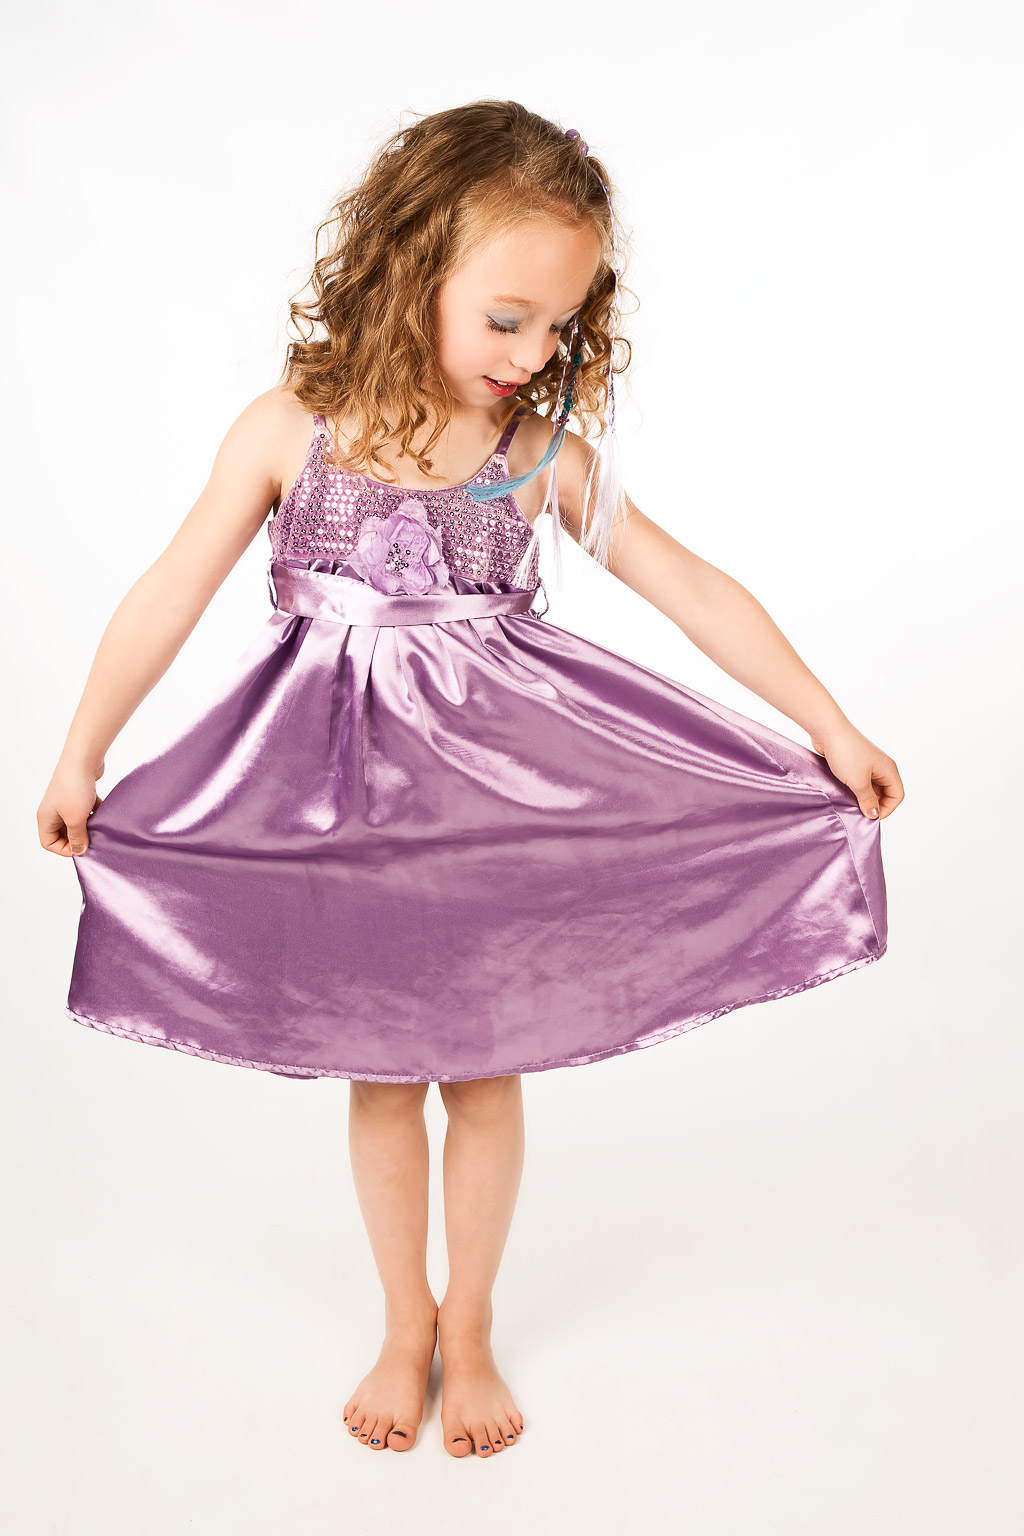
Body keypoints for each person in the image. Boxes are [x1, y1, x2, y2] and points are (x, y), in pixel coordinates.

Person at [38, 99, 904, 1461]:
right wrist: (85, 748)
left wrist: (828, 725)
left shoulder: (533, 459)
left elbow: (686, 585)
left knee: (486, 1078)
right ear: (408, 268)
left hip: (495, 816)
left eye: (560, 325)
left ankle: (476, 1322)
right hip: (340, 817)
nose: (536, 354)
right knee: (384, 1079)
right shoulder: (289, 431)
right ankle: (405, 1321)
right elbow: (167, 591)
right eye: (507, 319)